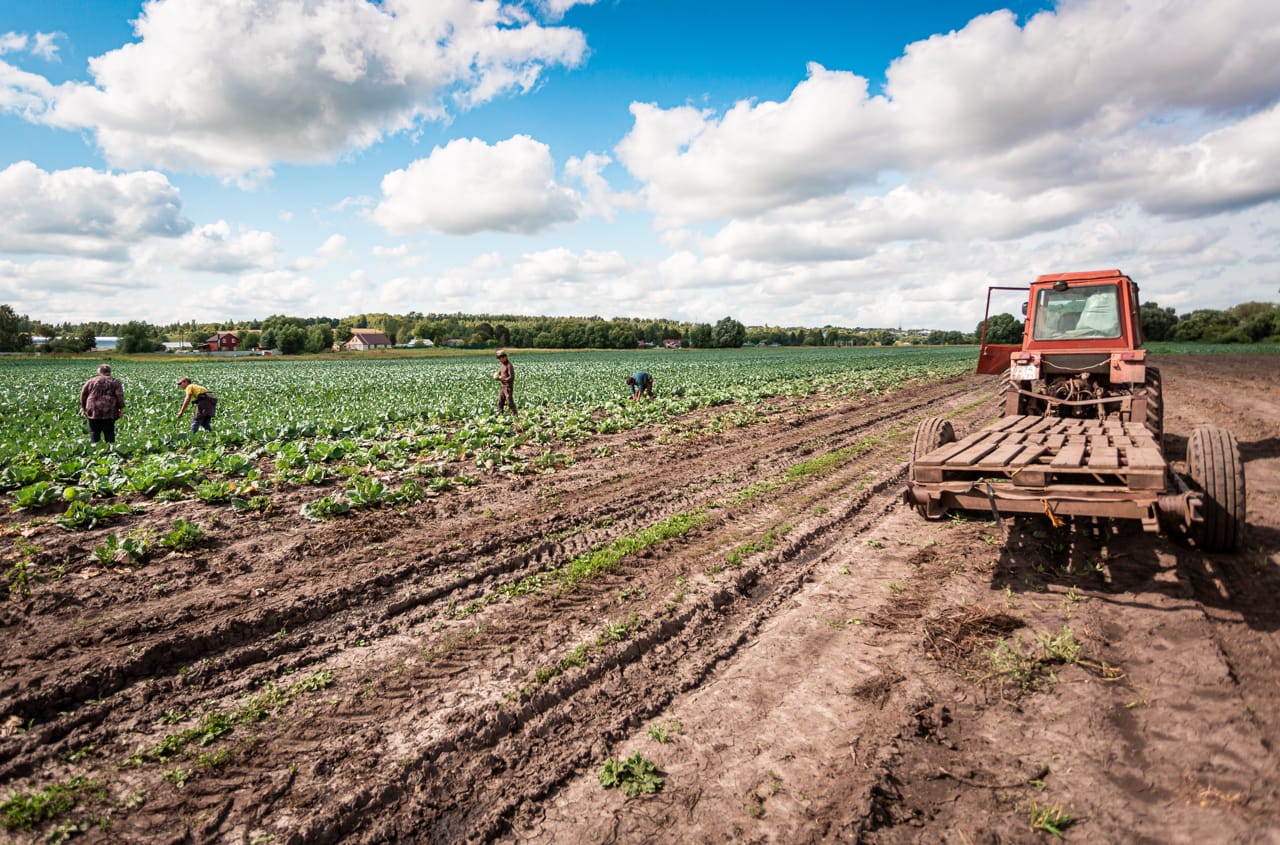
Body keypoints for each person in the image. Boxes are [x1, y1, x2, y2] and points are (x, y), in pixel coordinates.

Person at [79, 364, 125, 443]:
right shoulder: (115, 382)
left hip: (93, 408)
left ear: (99, 372)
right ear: (110, 372)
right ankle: (110, 450)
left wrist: (83, 408)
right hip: (109, 409)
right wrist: (121, 409)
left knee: (94, 431)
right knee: (109, 432)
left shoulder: (91, 381)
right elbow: (119, 396)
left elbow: (83, 395)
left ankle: (95, 450)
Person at [493, 349, 516, 416]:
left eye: (500, 358)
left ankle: (515, 415)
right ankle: (500, 413)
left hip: (508, 386)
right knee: (500, 400)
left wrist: (502, 379)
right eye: (499, 359)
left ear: (504, 357)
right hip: (503, 386)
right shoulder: (502, 365)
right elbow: (499, 373)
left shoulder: (509, 365)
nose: (499, 360)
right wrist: (496, 376)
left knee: (509, 401)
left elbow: (511, 377)